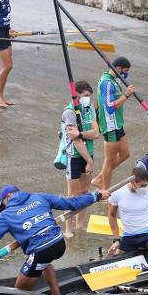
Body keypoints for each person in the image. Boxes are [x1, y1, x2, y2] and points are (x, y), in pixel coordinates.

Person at [0, 185, 109, 295]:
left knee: (18, 290)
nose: (3, 209)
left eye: (3, 205)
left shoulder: (6, 216)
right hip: (59, 243)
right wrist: (95, 196)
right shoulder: (39, 197)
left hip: (41, 249)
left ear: (8, 196)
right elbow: (70, 203)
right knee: (44, 263)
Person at [62, 80, 100, 237]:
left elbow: (96, 133)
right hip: (74, 156)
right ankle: (68, 229)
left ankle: (79, 225)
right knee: (73, 194)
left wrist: (80, 133)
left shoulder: (89, 108)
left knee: (85, 192)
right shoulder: (69, 112)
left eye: (89, 96)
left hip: (88, 153)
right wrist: (89, 161)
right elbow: (75, 141)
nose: (87, 99)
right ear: (76, 95)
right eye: (85, 96)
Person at [92, 57, 136, 190]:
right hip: (110, 125)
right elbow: (109, 108)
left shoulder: (114, 80)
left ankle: (100, 178)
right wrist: (126, 95)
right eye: (125, 71)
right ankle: (104, 190)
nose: (126, 74)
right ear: (118, 69)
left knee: (125, 154)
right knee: (109, 161)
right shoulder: (107, 83)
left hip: (118, 123)